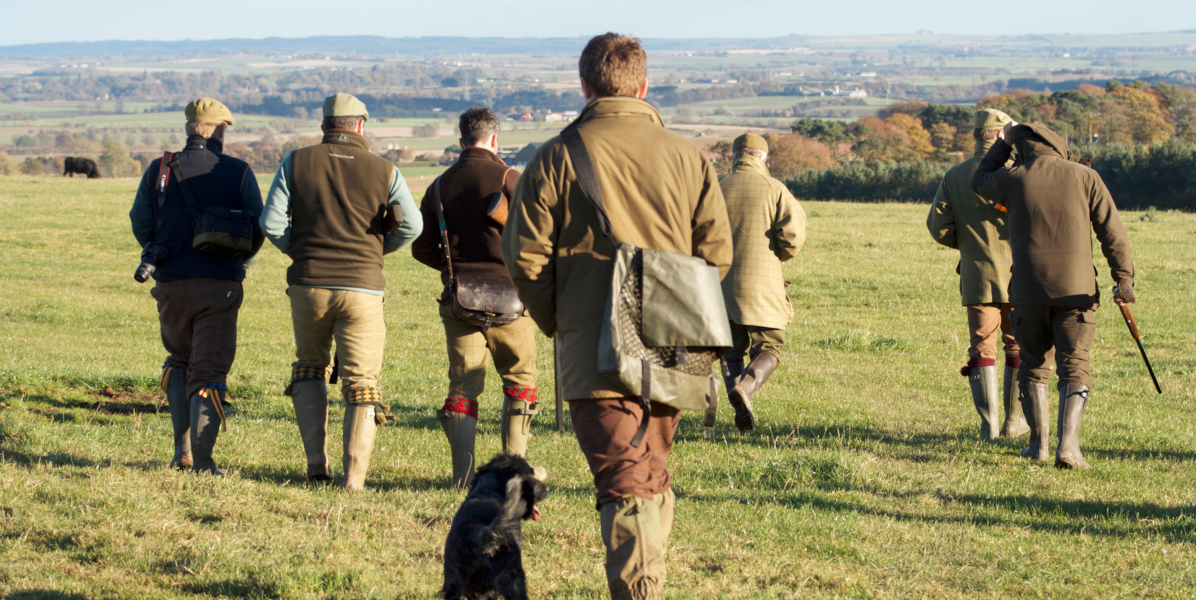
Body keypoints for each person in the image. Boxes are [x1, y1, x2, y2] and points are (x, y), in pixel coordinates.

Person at [501, 33, 732, 599]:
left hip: (592, 344)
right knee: (648, 472)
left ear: (584, 85)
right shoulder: (687, 155)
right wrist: (675, 307)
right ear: (643, 85)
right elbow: (717, 254)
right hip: (676, 338)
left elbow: (525, 257)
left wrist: (564, 321)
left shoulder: (556, 155)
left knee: (626, 479)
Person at [261, 93, 423, 489]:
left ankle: (317, 466)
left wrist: (299, 251)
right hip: (364, 288)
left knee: (309, 366)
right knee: (362, 382)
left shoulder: (295, 162)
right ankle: (354, 481)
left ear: (324, 126)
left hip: (308, 284)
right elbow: (412, 227)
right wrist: (374, 253)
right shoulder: (386, 170)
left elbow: (270, 222)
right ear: (361, 126)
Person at [971, 120, 1135, 469]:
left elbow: (978, 179)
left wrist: (1002, 145)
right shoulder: (1084, 177)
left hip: (1028, 291)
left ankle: (1038, 445)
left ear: (1022, 144)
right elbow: (1113, 233)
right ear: (1057, 142)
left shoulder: (1012, 179)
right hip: (1076, 291)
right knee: (1075, 364)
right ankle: (1069, 448)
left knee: (1033, 366)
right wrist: (1123, 280)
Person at [129, 98, 264, 475]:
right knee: (208, 373)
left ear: (189, 127)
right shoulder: (237, 171)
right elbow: (258, 227)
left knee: (179, 362)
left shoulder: (160, 169)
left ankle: (182, 453)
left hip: (169, 283)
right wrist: (239, 259)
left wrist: (163, 251)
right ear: (221, 129)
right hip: (219, 285)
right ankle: (204, 462)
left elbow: (140, 221)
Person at [411, 107, 538, 488]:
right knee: (520, 383)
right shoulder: (511, 178)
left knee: (462, 387)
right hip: (514, 303)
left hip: (459, 299)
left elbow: (421, 248)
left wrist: (452, 272)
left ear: (461, 139)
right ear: (495, 138)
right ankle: (513, 476)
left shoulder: (438, 186)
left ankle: (462, 478)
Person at [927, 108, 1030, 441]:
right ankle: (1015, 423)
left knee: (982, 349)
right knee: (1019, 347)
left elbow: (938, 227)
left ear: (976, 135)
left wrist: (970, 247)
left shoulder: (954, 175)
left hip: (976, 275)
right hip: (1021, 277)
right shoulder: (1019, 172)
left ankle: (989, 428)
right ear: (1003, 136)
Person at [717, 133, 806, 433]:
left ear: (734, 156)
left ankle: (740, 400)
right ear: (763, 158)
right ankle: (746, 389)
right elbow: (792, 237)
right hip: (761, 285)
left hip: (717, 284)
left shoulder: (714, 188)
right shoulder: (775, 188)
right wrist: (779, 254)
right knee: (770, 346)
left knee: (730, 349)